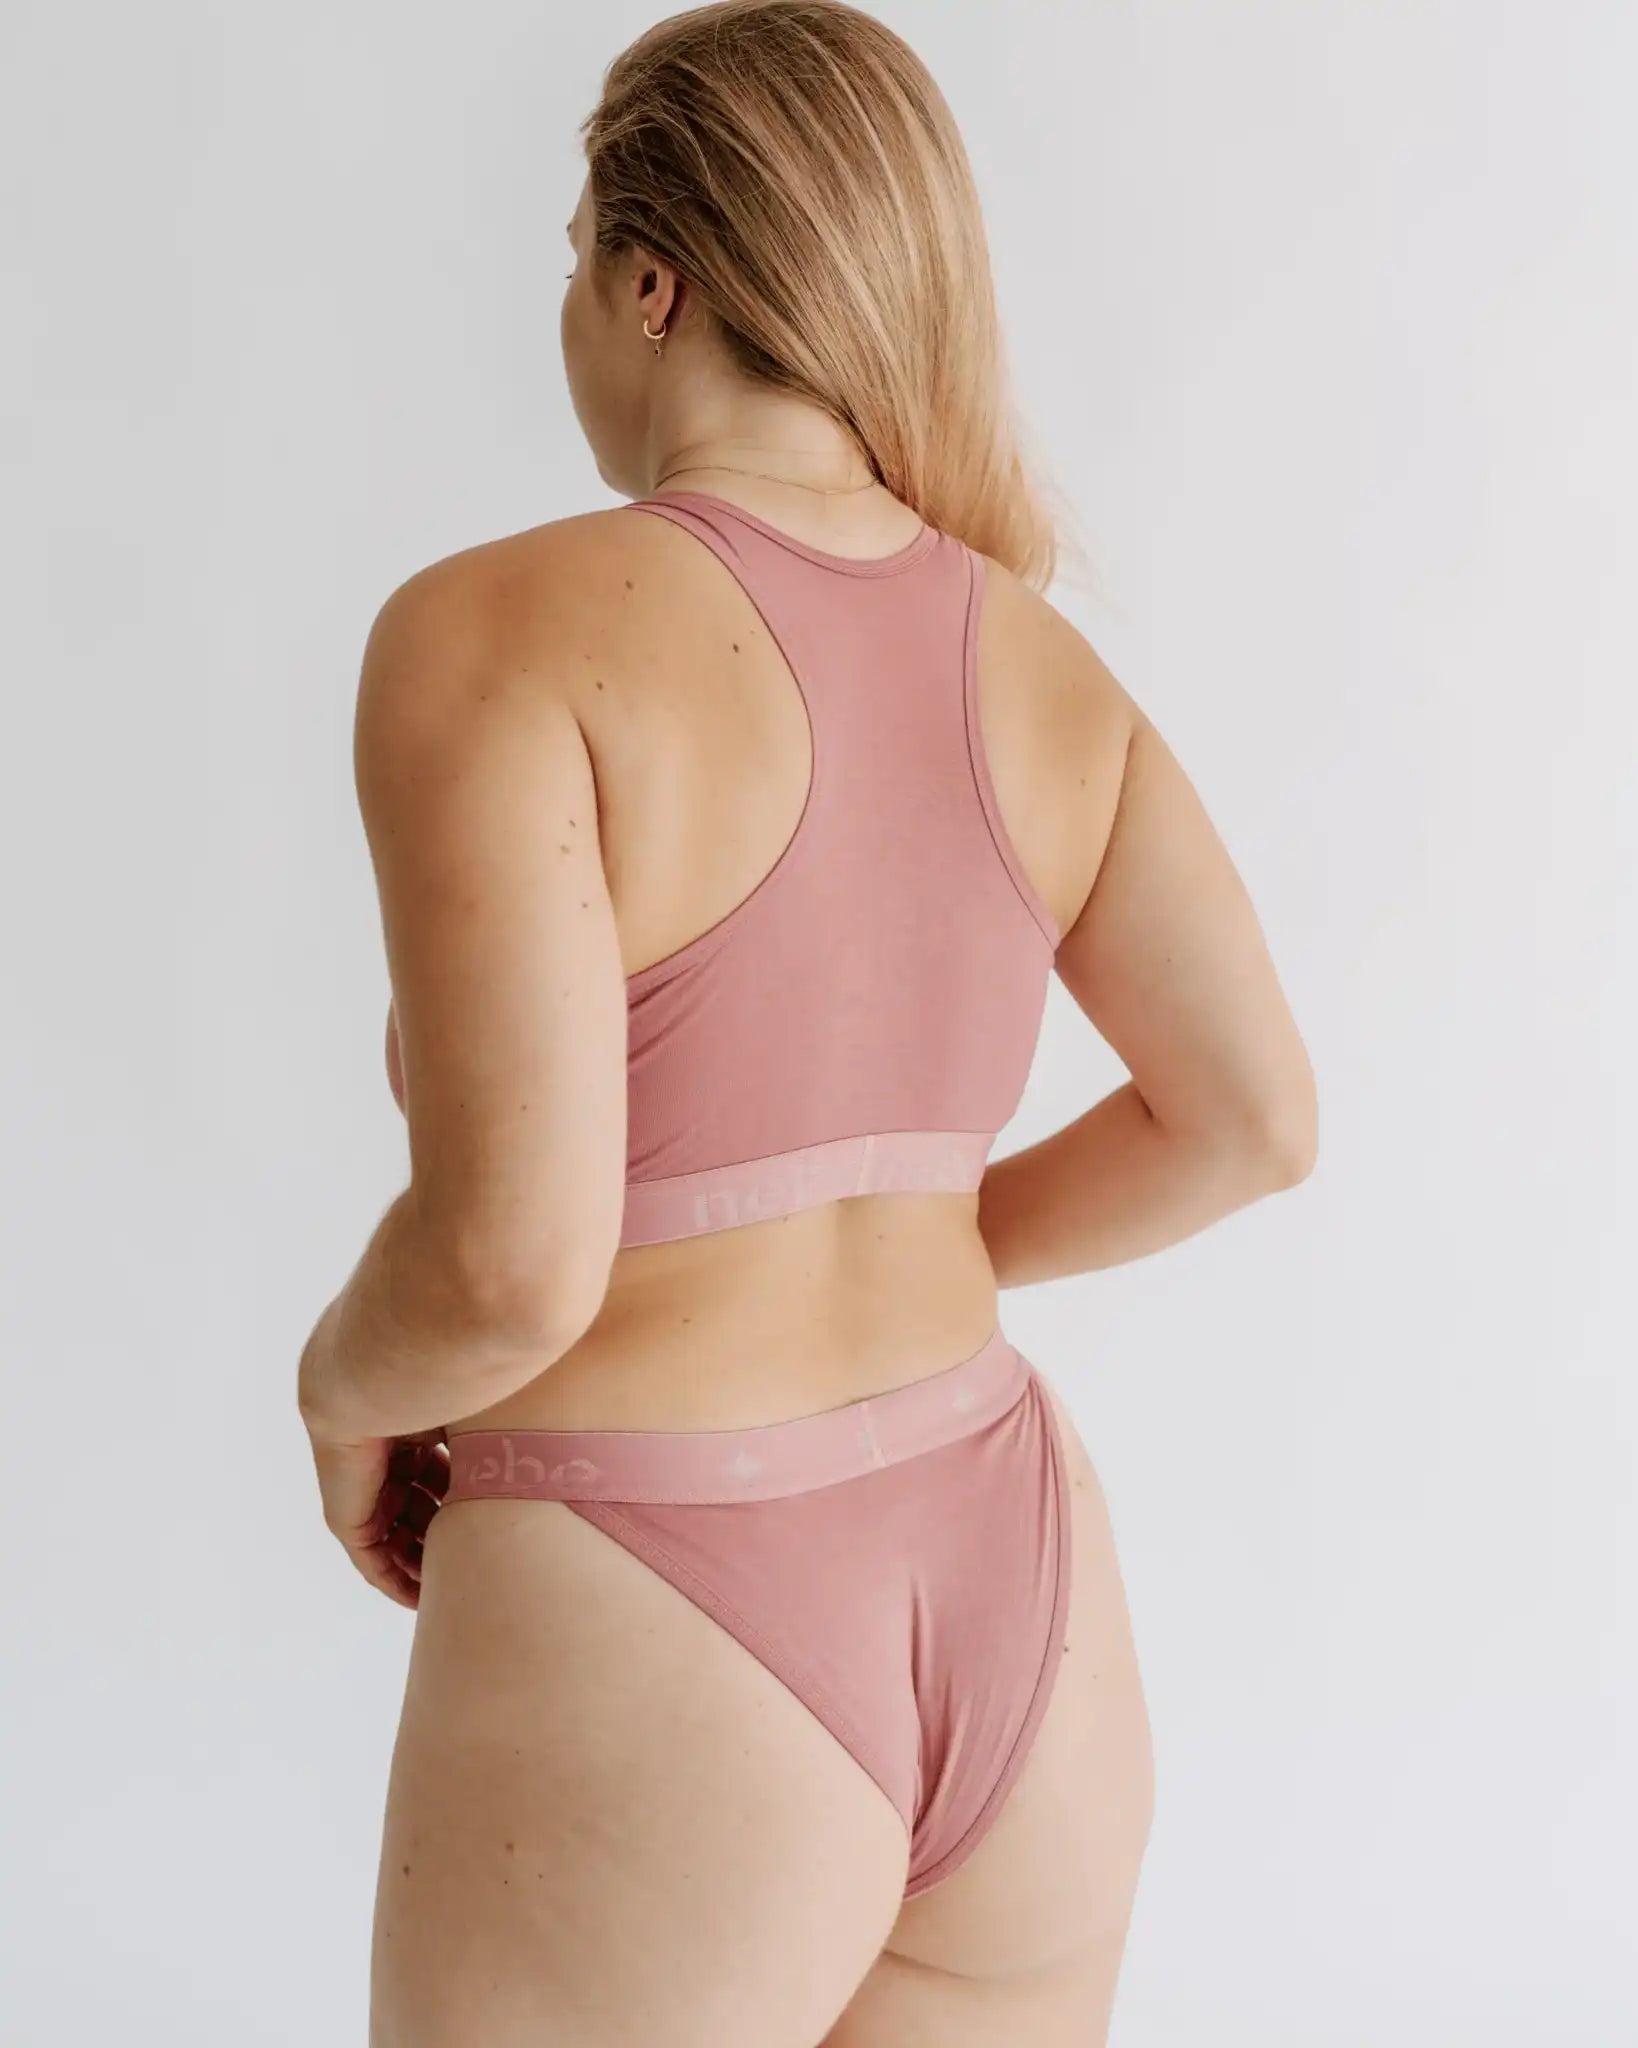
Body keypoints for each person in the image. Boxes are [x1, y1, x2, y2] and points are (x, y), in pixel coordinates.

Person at [295, 3, 1317, 2040]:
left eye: (576, 264)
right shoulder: (1041, 668)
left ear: (649, 283)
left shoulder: (492, 632)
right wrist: (924, 1242)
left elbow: (511, 1261)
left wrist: (340, 1398)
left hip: (664, 1591)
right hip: (1017, 1591)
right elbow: (1250, 1119)